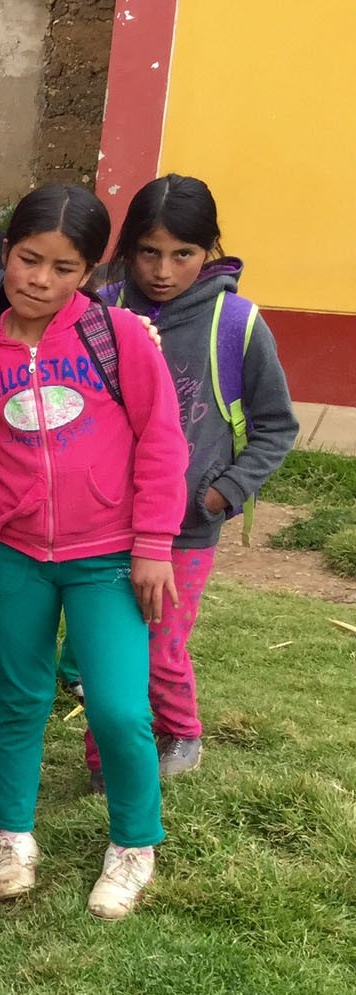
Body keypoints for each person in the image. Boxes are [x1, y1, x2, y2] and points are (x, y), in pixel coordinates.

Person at [0, 183, 189, 920]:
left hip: (111, 558)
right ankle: (14, 837)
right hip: (17, 557)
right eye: (28, 260)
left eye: (64, 268)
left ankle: (133, 844)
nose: (40, 280)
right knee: (19, 699)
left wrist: (154, 545)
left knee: (116, 707)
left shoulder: (117, 340)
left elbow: (162, 444)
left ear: (90, 272)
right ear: (5, 252)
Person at [75, 175, 299, 783]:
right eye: (148, 251)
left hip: (186, 529)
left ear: (210, 252)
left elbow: (277, 426)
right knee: (106, 650)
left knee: (157, 647)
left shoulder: (237, 324)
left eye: (184, 254)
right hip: (103, 523)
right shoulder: (102, 311)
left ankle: (183, 733)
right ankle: (108, 761)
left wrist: (222, 493)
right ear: (126, 250)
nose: (164, 270)